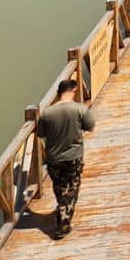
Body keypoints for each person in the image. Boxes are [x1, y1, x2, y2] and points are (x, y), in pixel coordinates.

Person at [34, 77, 97, 237]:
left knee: (60, 188)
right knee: (72, 188)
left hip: (54, 159)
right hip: (73, 157)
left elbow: (40, 133)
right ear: (74, 90)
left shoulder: (47, 112)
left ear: (59, 93)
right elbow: (90, 126)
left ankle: (62, 212)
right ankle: (63, 224)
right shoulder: (79, 109)